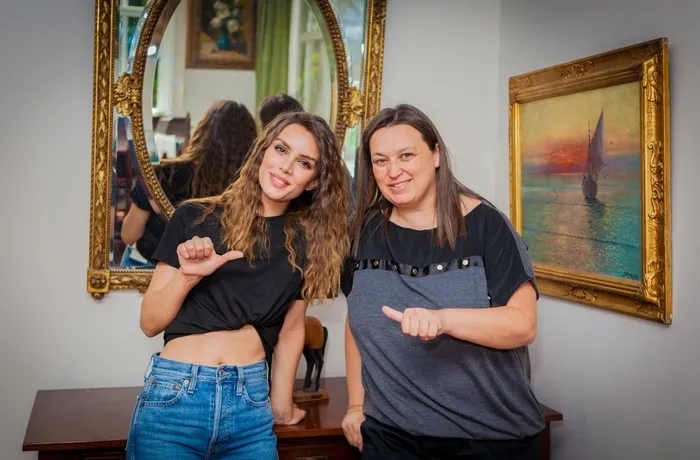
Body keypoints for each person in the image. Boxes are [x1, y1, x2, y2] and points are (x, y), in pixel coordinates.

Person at [125, 111, 350, 459]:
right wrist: (188, 276)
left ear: (314, 181)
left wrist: (282, 407)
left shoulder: (309, 244)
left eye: (304, 163)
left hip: (250, 406)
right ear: (262, 151)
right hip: (175, 399)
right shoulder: (193, 217)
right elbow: (149, 322)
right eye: (281, 149)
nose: (286, 167)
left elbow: (291, 329)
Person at [341, 104, 545, 460]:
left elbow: (522, 325)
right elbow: (357, 318)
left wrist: (444, 320)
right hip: (391, 438)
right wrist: (356, 405)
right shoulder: (363, 232)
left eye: (406, 155)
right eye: (380, 161)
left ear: (436, 155)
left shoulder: (487, 225)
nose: (393, 171)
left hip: (490, 441)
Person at [121, 100, 258, 265]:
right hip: (217, 273)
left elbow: (129, 235)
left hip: (152, 267)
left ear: (202, 133)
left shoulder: (163, 174)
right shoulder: (251, 186)